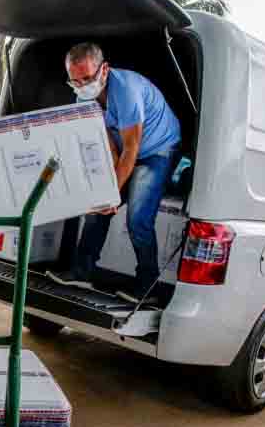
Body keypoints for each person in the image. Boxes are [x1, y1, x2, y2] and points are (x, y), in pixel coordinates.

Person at [47, 42, 181, 304]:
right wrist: (106, 192)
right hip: (126, 148)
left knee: (138, 219)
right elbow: (106, 143)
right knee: (96, 207)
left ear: (104, 69)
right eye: (75, 81)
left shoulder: (127, 91)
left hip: (157, 149)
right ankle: (82, 271)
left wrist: (113, 192)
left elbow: (132, 149)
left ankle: (147, 286)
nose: (82, 85)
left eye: (88, 78)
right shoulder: (82, 97)